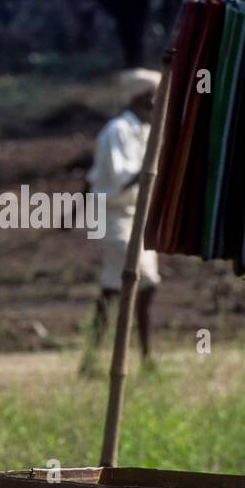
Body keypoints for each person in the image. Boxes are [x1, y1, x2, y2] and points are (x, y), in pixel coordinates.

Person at [83, 68, 162, 374]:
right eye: (156, 96)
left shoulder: (143, 130)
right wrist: (152, 167)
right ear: (142, 97)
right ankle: (144, 356)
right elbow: (118, 180)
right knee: (146, 282)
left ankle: (91, 357)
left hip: (138, 217)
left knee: (112, 288)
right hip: (113, 216)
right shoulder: (116, 131)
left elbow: (89, 179)